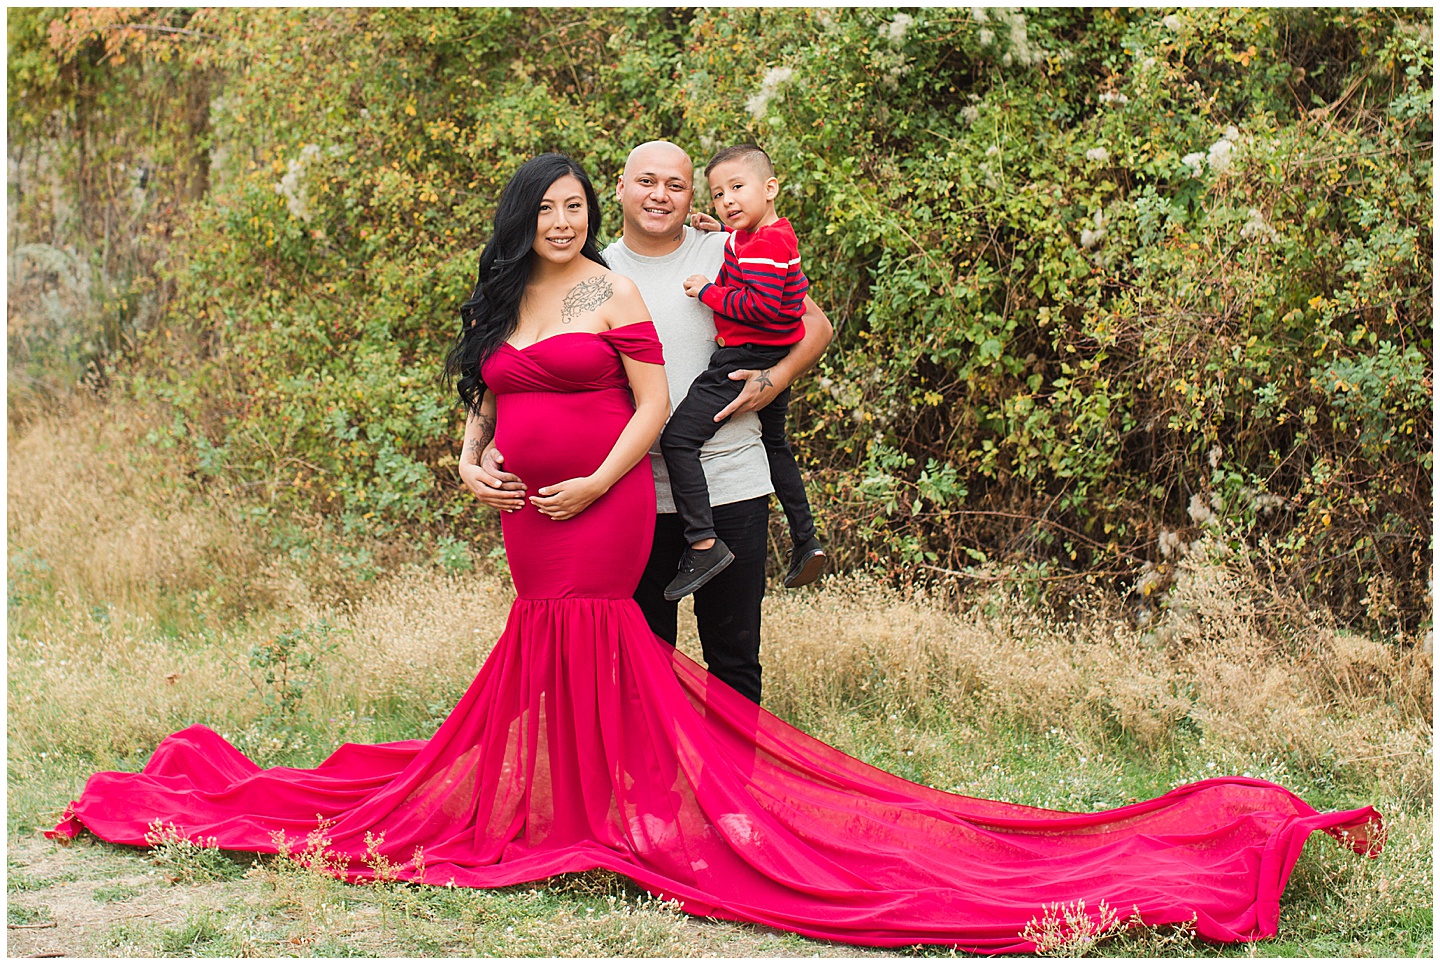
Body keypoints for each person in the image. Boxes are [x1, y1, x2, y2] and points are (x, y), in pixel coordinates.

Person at [49, 153, 1384, 954]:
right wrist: (475, 464)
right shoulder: (501, 297)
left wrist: (593, 487)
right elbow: (477, 401)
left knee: (620, 643)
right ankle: (572, 809)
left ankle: (634, 811)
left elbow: (646, 410)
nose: (571, 222)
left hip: (606, 502)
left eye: (585, 205)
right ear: (532, 215)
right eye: (558, 207)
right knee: (542, 650)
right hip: (527, 515)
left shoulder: (622, 290)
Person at [473, 139, 834, 706]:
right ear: (618, 189)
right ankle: (655, 793)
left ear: (693, 196)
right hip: (634, 492)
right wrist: (489, 445)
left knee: (733, 654)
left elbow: (814, 325)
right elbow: (525, 368)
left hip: (729, 480)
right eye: (646, 182)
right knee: (643, 659)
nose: (659, 196)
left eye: (675, 185)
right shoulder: (595, 269)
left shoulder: (726, 249)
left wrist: (774, 379)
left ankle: (730, 792)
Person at [660, 143, 826, 602]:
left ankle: (703, 544)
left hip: (741, 360)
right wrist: (721, 232)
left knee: (677, 440)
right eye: (717, 195)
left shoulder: (768, 244)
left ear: (770, 187)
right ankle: (806, 540)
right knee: (776, 446)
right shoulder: (759, 237)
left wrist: (707, 291)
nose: (727, 200)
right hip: (771, 355)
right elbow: (750, 261)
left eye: (737, 188)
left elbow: (761, 304)